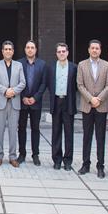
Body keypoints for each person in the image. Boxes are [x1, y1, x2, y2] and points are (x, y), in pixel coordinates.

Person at [77, 39, 108, 178]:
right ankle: (85, 164)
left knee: (100, 137)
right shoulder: (82, 65)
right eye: (92, 48)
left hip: (101, 106)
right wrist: (90, 98)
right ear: (88, 50)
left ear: (100, 50)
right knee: (87, 136)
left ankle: (100, 166)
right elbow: (80, 85)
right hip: (87, 105)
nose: (94, 50)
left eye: (97, 48)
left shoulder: (106, 65)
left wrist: (99, 99)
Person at [0, 41, 26, 167]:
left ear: (13, 51)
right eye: (5, 49)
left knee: (13, 131)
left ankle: (12, 156)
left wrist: (13, 91)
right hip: (0, 101)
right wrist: (5, 91)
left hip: (14, 102)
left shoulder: (19, 65)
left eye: (10, 49)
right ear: (2, 51)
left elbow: (23, 82)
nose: (8, 51)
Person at [47, 42, 77, 170]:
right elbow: (49, 84)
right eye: (59, 52)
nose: (61, 53)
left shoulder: (74, 68)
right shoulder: (51, 67)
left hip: (68, 102)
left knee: (69, 133)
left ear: (67, 52)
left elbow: (76, 86)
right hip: (56, 101)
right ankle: (57, 160)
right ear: (56, 53)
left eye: (63, 51)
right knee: (56, 132)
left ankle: (68, 161)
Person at [18, 40, 46, 165]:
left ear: (36, 50)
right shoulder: (19, 63)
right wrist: (23, 97)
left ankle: (35, 155)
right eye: (28, 47)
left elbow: (43, 84)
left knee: (35, 128)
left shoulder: (42, 64)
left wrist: (35, 98)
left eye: (32, 47)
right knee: (21, 128)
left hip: (36, 102)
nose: (30, 49)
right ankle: (22, 154)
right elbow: (16, 82)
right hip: (22, 101)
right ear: (25, 49)